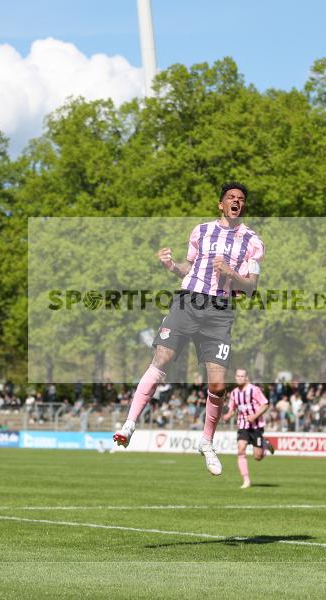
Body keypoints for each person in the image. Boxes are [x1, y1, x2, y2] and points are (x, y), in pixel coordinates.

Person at [113, 182, 264, 477]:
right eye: (230, 197)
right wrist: (171, 266)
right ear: (221, 204)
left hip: (219, 311)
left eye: (241, 199)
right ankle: (129, 425)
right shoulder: (201, 231)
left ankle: (206, 443)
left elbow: (251, 287)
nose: (236, 201)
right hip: (187, 302)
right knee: (162, 358)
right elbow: (190, 268)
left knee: (218, 386)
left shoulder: (252, 241)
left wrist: (231, 273)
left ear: (243, 206)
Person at [222, 369, 275, 488]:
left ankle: (265, 444)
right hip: (242, 426)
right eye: (238, 376)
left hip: (256, 426)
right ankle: (246, 480)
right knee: (241, 450)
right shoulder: (234, 393)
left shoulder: (254, 390)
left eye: (242, 376)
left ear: (246, 377)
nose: (240, 378)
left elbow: (265, 404)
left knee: (257, 457)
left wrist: (254, 416)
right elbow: (233, 409)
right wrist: (228, 415)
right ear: (235, 377)